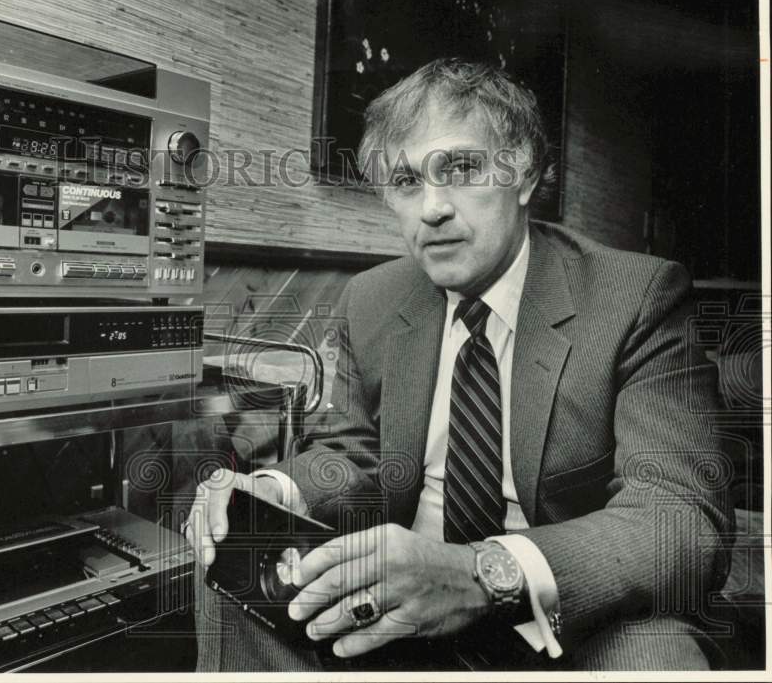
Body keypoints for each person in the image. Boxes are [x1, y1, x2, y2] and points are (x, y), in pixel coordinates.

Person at [184, 58, 734, 671]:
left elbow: (680, 516)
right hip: (396, 603)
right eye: (406, 181)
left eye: (462, 168)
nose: (432, 209)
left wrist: (482, 573)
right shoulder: (370, 298)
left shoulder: (636, 295)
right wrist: (269, 490)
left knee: (657, 660)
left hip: (563, 610)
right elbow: (351, 457)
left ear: (523, 174)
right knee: (230, 581)